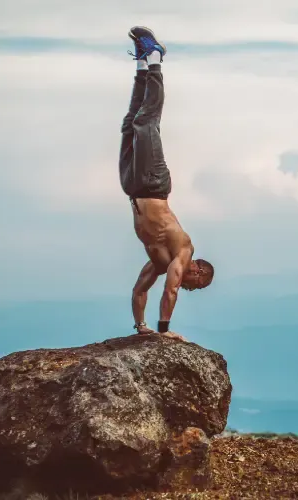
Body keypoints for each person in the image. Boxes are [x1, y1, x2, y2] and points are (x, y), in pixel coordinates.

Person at [119, 26, 214, 340]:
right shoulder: (183, 252)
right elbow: (171, 290)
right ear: (197, 270)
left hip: (133, 188)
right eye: (196, 285)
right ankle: (157, 56)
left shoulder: (157, 262)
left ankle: (142, 64)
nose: (190, 287)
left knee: (131, 123)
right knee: (147, 123)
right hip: (153, 184)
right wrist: (164, 331)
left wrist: (141, 328)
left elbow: (138, 291)